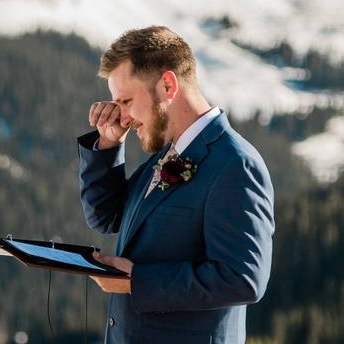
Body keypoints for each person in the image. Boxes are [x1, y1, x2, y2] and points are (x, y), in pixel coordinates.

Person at [77, 26, 275, 344]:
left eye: (126, 101)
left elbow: (243, 279)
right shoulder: (165, 156)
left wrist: (136, 281)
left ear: (168, 85)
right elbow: (106, 217)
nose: (122, 117)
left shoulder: (235, 165)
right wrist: (108, 146)